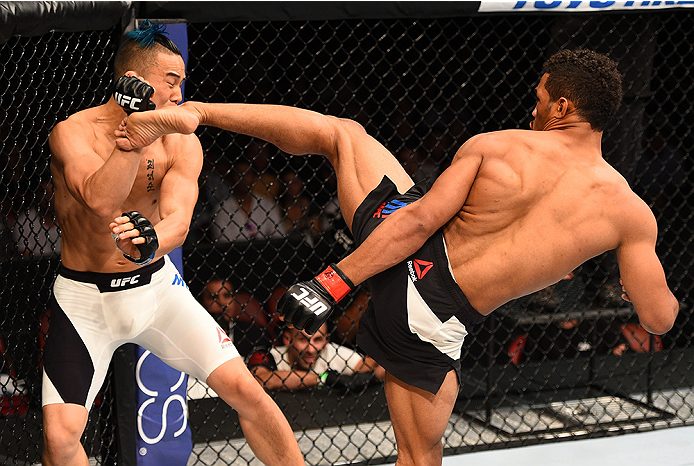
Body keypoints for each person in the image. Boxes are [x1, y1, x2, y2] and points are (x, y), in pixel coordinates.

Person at [114, 49, 679, 466]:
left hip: (407, 259)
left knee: (342, 135)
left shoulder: (499, 145)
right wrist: (633, 286)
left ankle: (202, 113)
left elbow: (417, 222)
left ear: (562, 105)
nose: (531, 111)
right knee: (418, 456)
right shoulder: (630, 213)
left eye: (538, 100)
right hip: (436, 318)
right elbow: (658, 320)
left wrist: (333, 282)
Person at [44, 22, 303, 466]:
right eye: (171, 81)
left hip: (158, 291)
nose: (181, 93)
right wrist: (132, 138)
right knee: (61, 436)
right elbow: (99, 199)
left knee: (246, 391)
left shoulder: (182, 143)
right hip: (85, 301)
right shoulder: (73, 132)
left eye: (182, 82)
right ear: (137, 81)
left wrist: (150, 243)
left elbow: (179, 223)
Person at [248, 322, 384, 391]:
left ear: (326, 340)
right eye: (303, 340)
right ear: (288, 340)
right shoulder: (270, 355)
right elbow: (261, 379)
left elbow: (378, 365)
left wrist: (368, 378)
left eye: (317, 340)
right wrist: (322, 378)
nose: (311, 349)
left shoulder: (333, 352)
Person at [200, 277, 274, 356]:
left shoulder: (254, 333)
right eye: (213, 297)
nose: (221, 303)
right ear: (202, 303)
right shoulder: (197, 336)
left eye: (226, 295)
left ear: (234, 300)